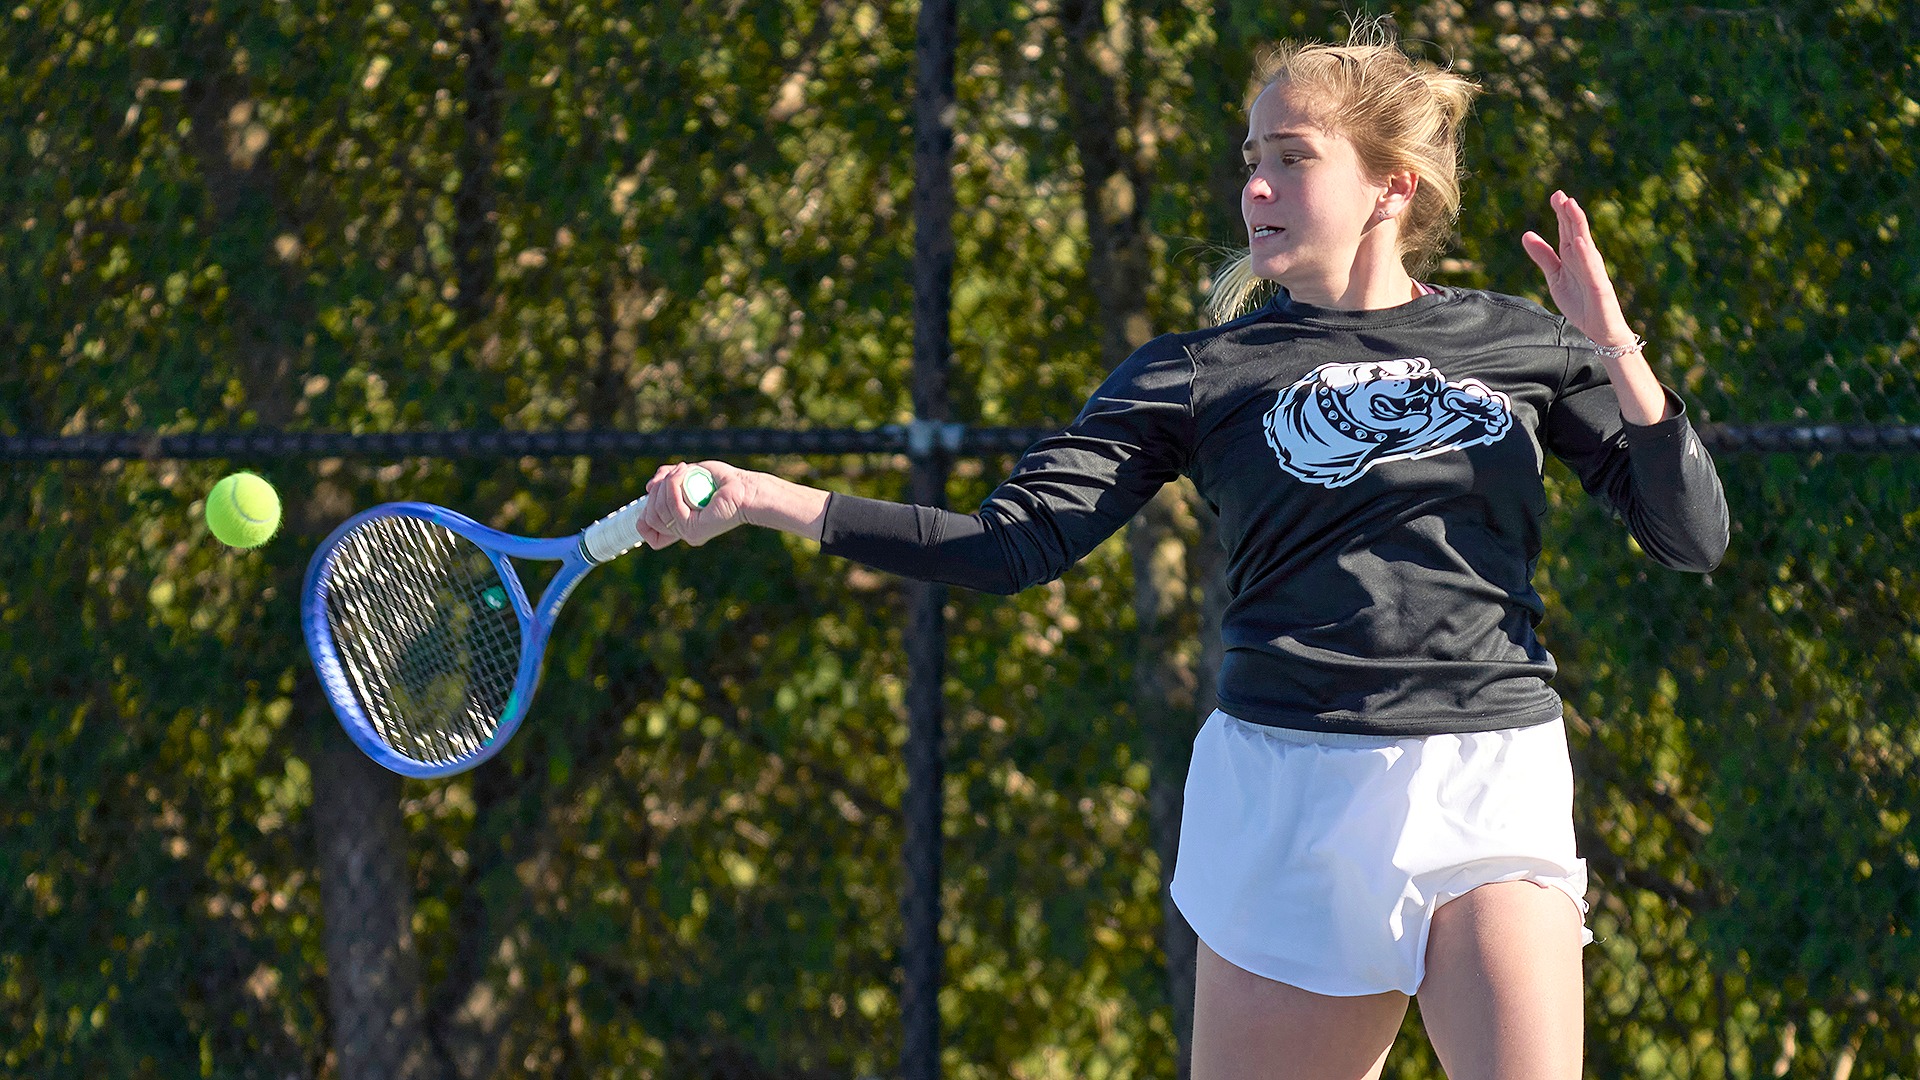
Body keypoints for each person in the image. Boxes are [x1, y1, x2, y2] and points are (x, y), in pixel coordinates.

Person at [633, 21, 1728, 1080]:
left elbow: (1692, 536)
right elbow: (1008, 548)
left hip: (1489, 775)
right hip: (1286, 790)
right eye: (1250, 162)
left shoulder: (1524, 344)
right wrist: (768, 498)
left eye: (1291, 160)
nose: (1255, 187)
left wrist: (1616, 347)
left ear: (1391, 187)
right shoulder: (1197, 373)